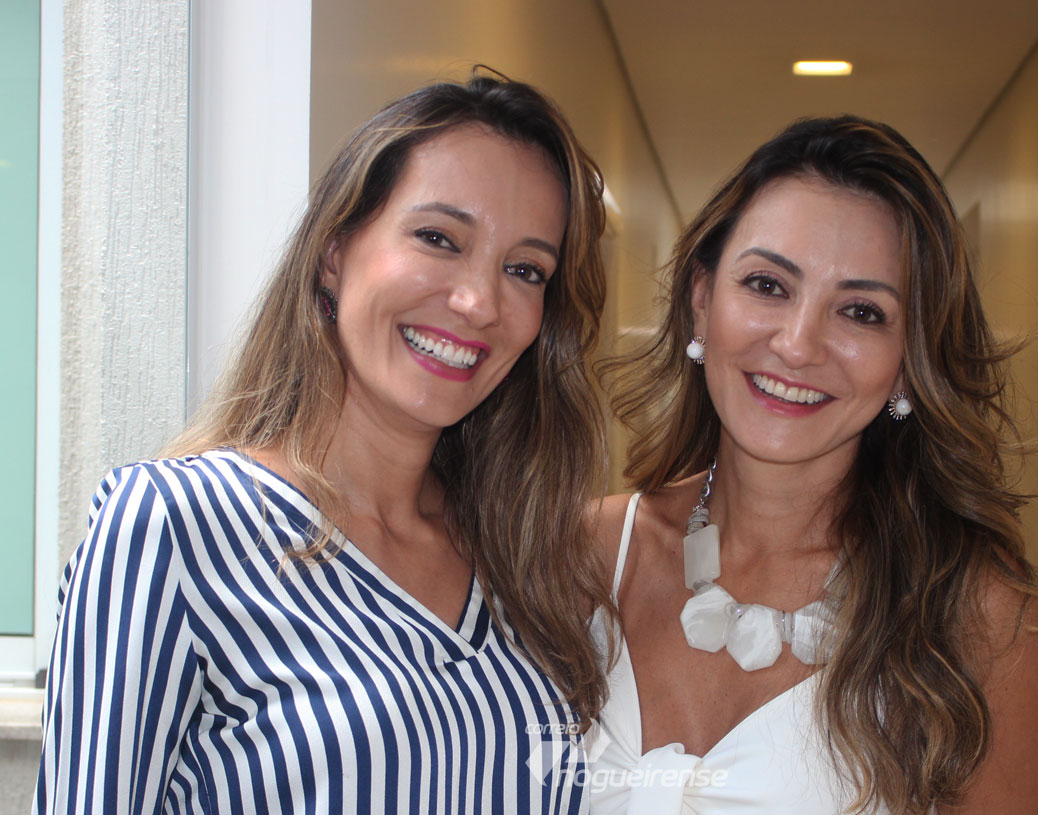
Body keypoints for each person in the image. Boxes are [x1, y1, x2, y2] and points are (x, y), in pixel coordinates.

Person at [35, 74, 613, 814]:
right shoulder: (173, 528)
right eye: (438, 238)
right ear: (336, 251)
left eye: (524, 270)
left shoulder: (524, 564)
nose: (478, 302)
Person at [589, 116, 1038, 814]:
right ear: (702, 302)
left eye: (861, 311)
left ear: (909, 361)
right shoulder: (581, 553)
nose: (797, 344)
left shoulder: (975, 615)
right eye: (767, 284)